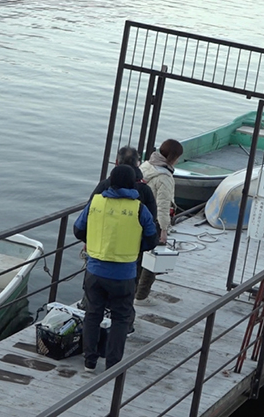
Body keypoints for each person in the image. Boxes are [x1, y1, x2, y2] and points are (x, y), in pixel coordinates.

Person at [73, 165, 157, 371]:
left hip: (95, 270)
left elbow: (78, 229)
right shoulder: (139, 208)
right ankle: (113, 364)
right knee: (120, 318)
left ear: (110, 181)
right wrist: (136, 248)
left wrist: (94, 244)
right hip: (124, 273)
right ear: (133, 183)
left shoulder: (96, 202)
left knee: (93, 314)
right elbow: (151, 238)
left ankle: (89, 361)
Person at [83, 146, 158, 331]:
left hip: (99, 252)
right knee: (125, 299)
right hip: (129, 256)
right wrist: (141, 246)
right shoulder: (145, 191)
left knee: (93, 303)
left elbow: (87, 216)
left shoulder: (104, 187)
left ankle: (90, 347)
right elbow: (152, 225)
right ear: (138, 163)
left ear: (116, 162)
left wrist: (89, 240)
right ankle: (125, 328)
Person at [135, 139, 184, 306]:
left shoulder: (146, 166)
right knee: (152, 260)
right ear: (173, 157)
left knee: (136, 257)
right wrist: (164, 229)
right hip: (153, 221)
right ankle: (141, 296)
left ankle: (132, 290)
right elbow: (163, 206)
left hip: (136, 218)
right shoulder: (165, 177)